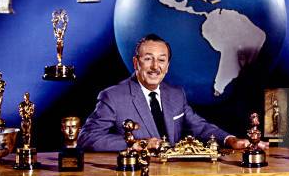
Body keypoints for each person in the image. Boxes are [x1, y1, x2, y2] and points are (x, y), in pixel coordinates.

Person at [78, 34, 267, 152]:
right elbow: (87, 138)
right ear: (136, 63)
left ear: (167, 66)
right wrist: (138, 144)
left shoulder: (176, 95)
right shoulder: (113, 96)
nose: (155, 67)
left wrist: (231, 140)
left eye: (161, 60)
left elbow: (200, 127)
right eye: (148, 59)